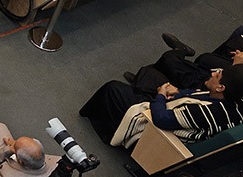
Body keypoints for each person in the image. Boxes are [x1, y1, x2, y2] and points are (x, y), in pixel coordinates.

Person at [81, 60, 243, 150]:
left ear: (220, 87)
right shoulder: (231, 101)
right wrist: (177, 92)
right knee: (149, 73)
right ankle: (139, 92)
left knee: (113, 88)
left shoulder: (207, 112)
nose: (213, 73)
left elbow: (161, 119)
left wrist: (160, 96)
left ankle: (108, 126)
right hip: (175, 110)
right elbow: (194, 94)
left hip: (159, 133)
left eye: (218, 75)